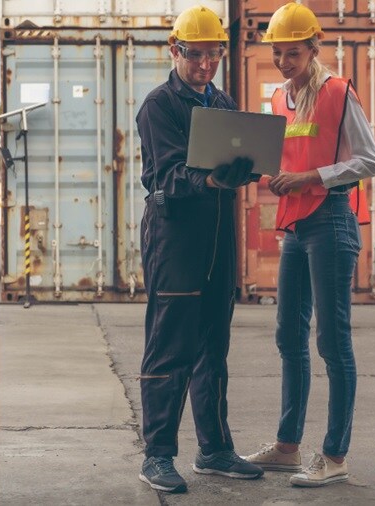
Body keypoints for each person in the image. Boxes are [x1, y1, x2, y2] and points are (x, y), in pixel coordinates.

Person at [243, 2, 375, 488]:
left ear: (314, 47)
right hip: (296, 227)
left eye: (293, 53)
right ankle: (287, 446)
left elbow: (369, 160)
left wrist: (308, 177)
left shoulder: (338, 93)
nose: (284, 61)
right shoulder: (278, 99)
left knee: (333, 342)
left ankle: (335, 454)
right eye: (278, 53)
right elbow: (283, 154)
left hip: (331, 221)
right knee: (288, 336)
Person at [135, 5, 264, 494]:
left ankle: (213, 449)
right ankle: (157, 456)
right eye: (195, 55)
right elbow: (162, 175)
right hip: (175, 241)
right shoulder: (159, 106)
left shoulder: (224, 104)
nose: (205, 65)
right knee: (171, 348)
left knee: (213, 348)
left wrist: (244, 170)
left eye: (213, 55)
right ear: (175, 50)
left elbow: (232, 162)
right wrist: (208, 177)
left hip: (216, 242)